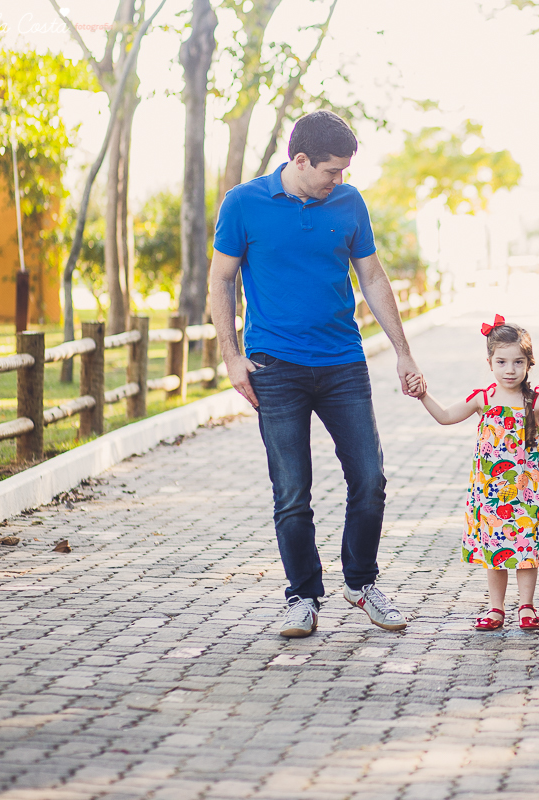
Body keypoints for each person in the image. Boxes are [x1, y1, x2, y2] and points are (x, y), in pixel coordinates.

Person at [209, 110, 424, 639]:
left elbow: (371, 277)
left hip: (342, 364)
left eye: (346, 171)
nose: (340, 181)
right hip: (275, 367)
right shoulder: (243, 203)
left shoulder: (349, 203)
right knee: (291, 490)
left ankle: (361, 582)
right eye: (332, 171)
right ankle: (303, 596)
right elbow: (220, 282)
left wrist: (403, 351)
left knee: (369, 480)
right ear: (299, 160)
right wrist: (231, 358)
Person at [409, 316, 539, 630]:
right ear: (489, 362)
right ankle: (496, 608)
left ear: (529, 364)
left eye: (518, 362)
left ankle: (527, 606)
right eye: (501, 361)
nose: (509, 370)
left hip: (525, 492)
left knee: (526, 547)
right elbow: (446, 416)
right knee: (495, 550)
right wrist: (423, 394)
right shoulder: (483, 399)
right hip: (490, 493)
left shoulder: (536, 401)